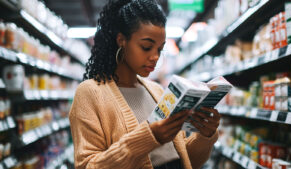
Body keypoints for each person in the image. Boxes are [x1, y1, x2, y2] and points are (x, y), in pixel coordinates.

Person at [69, 0, 221, 169]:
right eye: (147, 47)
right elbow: (87, 166)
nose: (155, 57)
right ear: (121, 40)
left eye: (159, 49)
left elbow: (186, 160)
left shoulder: (157, 91)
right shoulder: (90, 93)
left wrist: (205, 136)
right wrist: (149, 137)